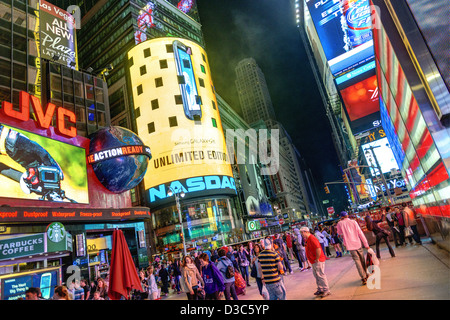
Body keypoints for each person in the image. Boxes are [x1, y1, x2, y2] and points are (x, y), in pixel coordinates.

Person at [337, 211, 370, 285]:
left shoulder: (340, 223)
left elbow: (339, 233)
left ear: (341, 217)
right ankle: (366, 274)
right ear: (347, 215)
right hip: (358, 244)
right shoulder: (354, 222)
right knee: (362, 259)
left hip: (350, 245)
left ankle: (363, 277)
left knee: (357, 261)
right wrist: (366, 244)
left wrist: (340, 223)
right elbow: (360, 233)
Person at [300, 227, 331, 298]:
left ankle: (326, 290)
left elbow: (318, 249)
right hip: (313, 260)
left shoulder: (312, 238)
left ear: (306, 232)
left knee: (320, 275)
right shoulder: (308, 239)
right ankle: (320, 289)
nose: (302, 234)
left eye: (302, 232)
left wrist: (317, 258)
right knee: (317, 275)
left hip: (318, 259)